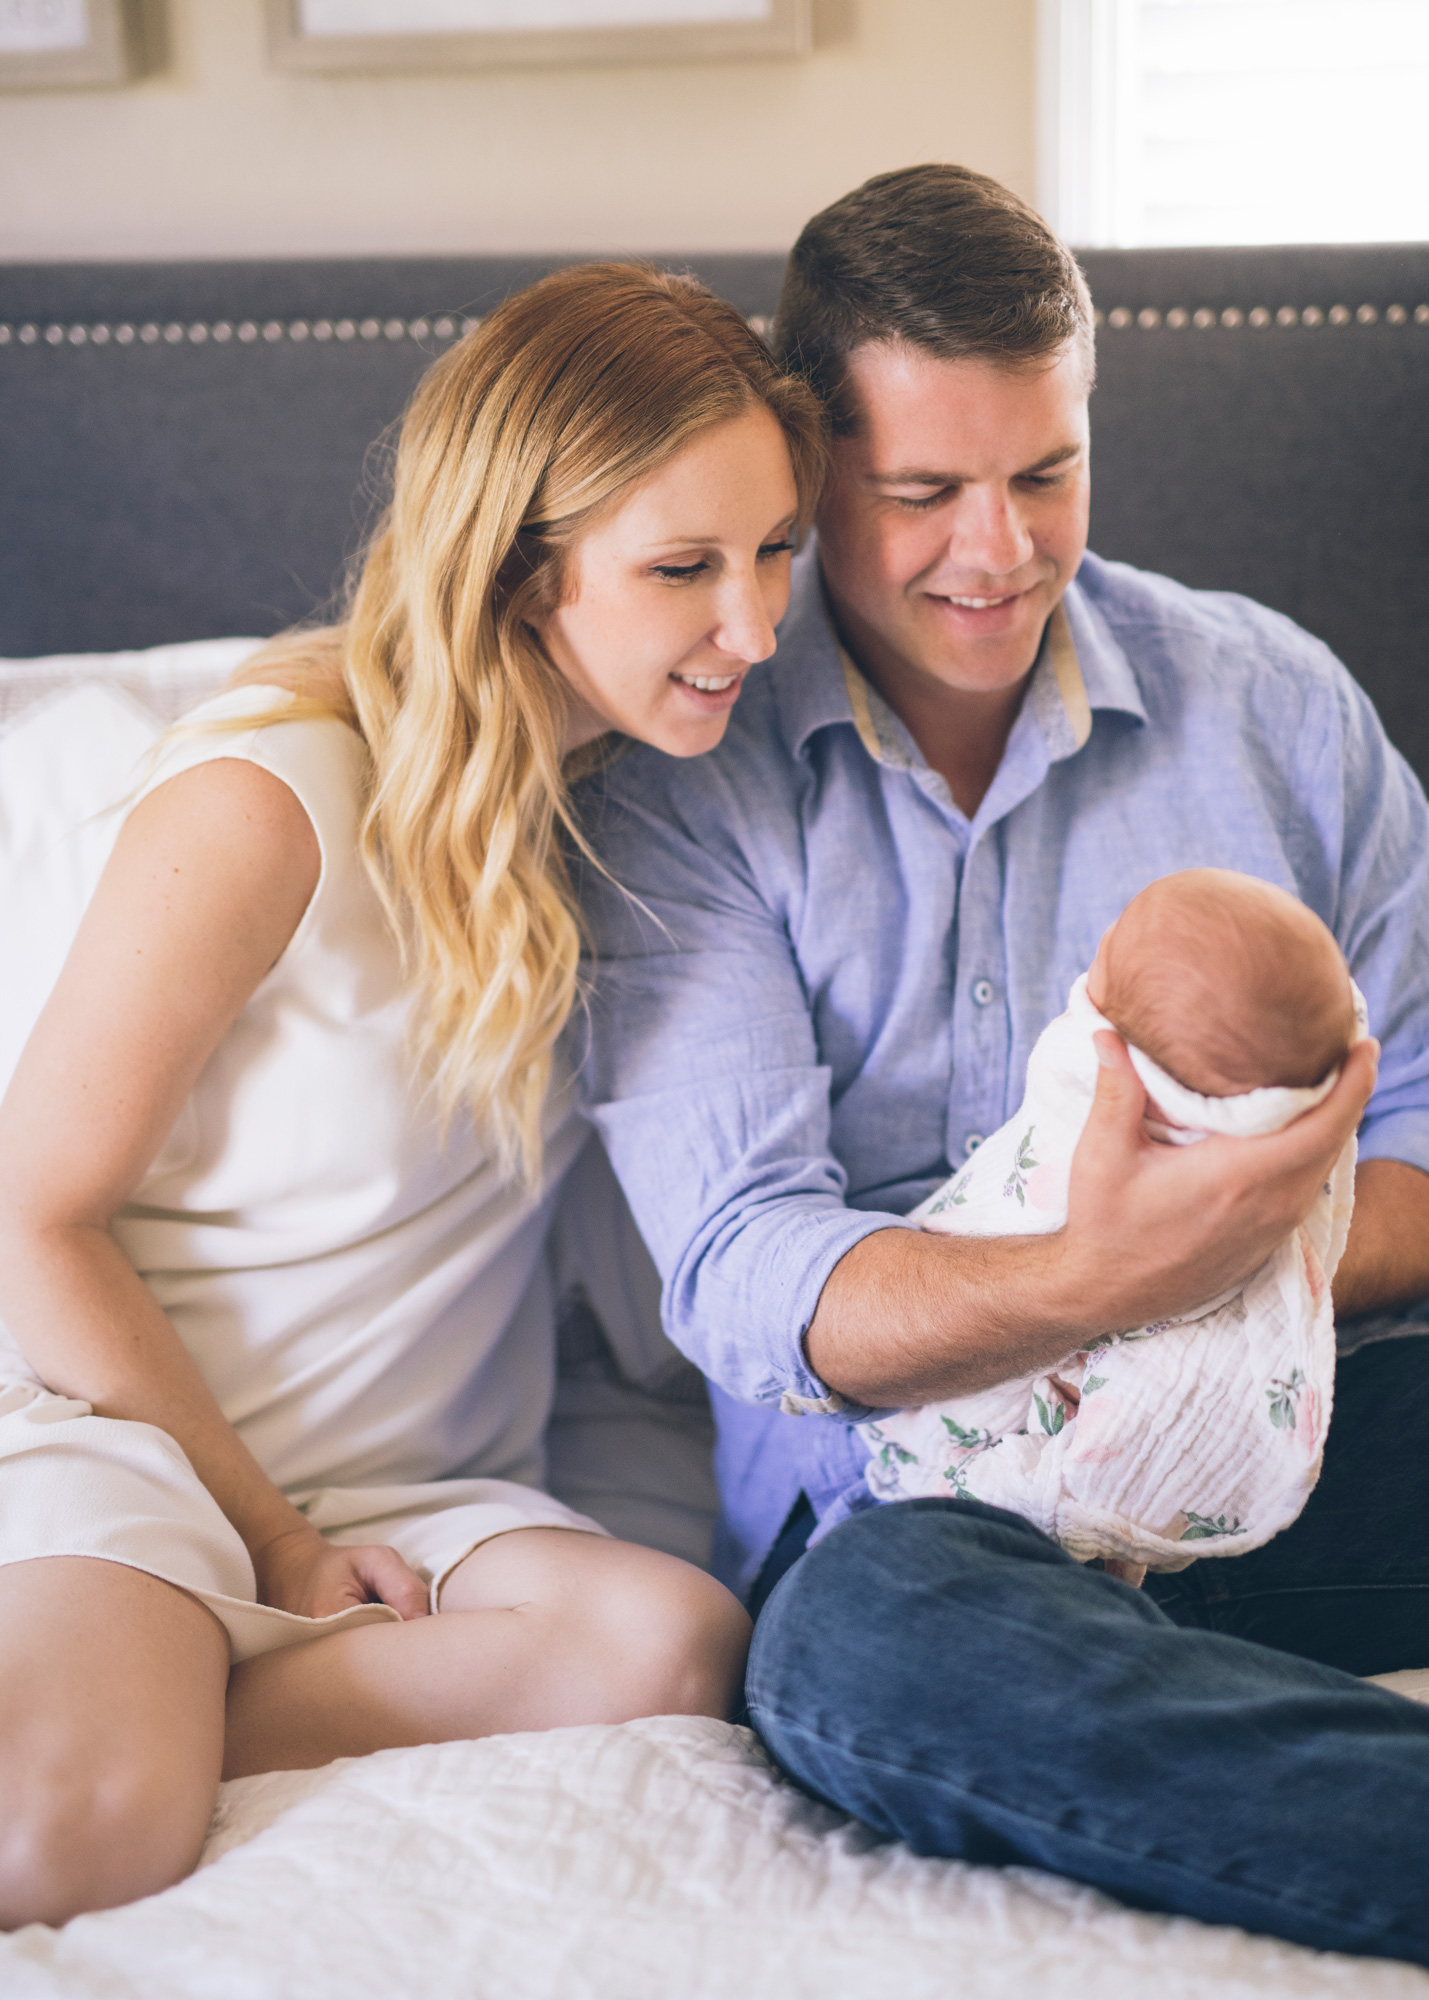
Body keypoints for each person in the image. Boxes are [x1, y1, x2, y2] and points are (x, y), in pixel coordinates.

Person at [575, 168, 1429, 1965]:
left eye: (1042, 473)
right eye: (920, 493)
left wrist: (1236, 1275)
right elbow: (743, 1276)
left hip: (1266, 1450)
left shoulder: (1267, 705)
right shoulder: (682, 777)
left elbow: (1425, 1112)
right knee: (853, 1662)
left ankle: (1161, 1704)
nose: (999, 550)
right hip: (923, 1523)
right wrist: (1087, 1274)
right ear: (804, 466)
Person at [0, 261, 827, 1930]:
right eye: (681, 567)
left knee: (675, 1642)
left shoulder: (631, 794)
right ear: (518, 574)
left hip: (408, 1502)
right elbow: (31, 1211)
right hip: (145, 1450)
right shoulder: (267, 797)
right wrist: (276, 1557)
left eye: (775, 550)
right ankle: (111, 1695)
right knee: (73, 1837)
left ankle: (152, 1702)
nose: (750, 625)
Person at [861, 869, 1361, 1579]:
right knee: (859, 1596)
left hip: (1348, 1378)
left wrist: (1216, 1272)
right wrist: (1097, 1276)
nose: (1096, 945)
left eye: (1109, 944)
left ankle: (1072, 1508)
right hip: (915, 1372)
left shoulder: (1105, 1061)